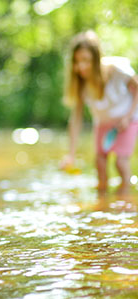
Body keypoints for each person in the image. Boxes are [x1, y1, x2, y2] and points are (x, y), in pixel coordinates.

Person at [62, 30, 138, 196]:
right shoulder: (81, 83)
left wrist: (128, 116)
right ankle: (103, 203)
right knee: (100, 162)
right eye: (76, 61)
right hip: (103, 122)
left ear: (96, 59)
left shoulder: (117, 69)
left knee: (120, 162)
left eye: (85, 60)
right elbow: (76, 119)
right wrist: (71, 154)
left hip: (127, 120)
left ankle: (126, 201)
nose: (81, 66)